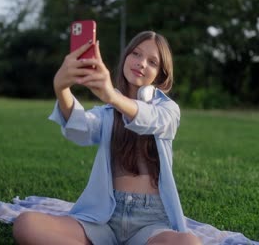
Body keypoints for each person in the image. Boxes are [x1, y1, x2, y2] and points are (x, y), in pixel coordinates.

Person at [13, 31, 201, 245]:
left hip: (151, 223)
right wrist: (61, 88)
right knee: (26, 224)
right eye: (136, 54)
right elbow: (79, 128)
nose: (141, 63)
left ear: (160, 74)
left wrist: (112, 96)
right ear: (126, 58)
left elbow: (151, 119)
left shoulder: (168, 109)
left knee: (189, 243)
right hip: (103, 218)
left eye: (152, 62)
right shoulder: (107, 113)